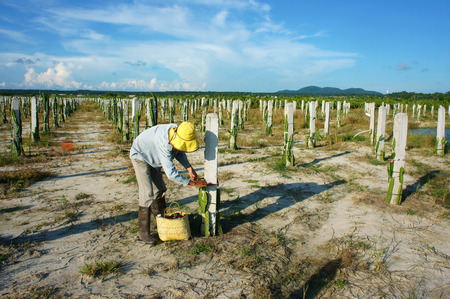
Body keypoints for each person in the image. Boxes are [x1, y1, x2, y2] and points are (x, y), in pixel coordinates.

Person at [130, 122, 207, 245]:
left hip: (154, 158)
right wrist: (192, 183)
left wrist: (189, 167)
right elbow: (171, 174)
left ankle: (161, 222)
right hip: (140, 156)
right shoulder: (164, 142)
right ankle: (144, 233)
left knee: (160, 189)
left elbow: (179, 151)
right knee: (147, 193)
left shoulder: (180, 131)